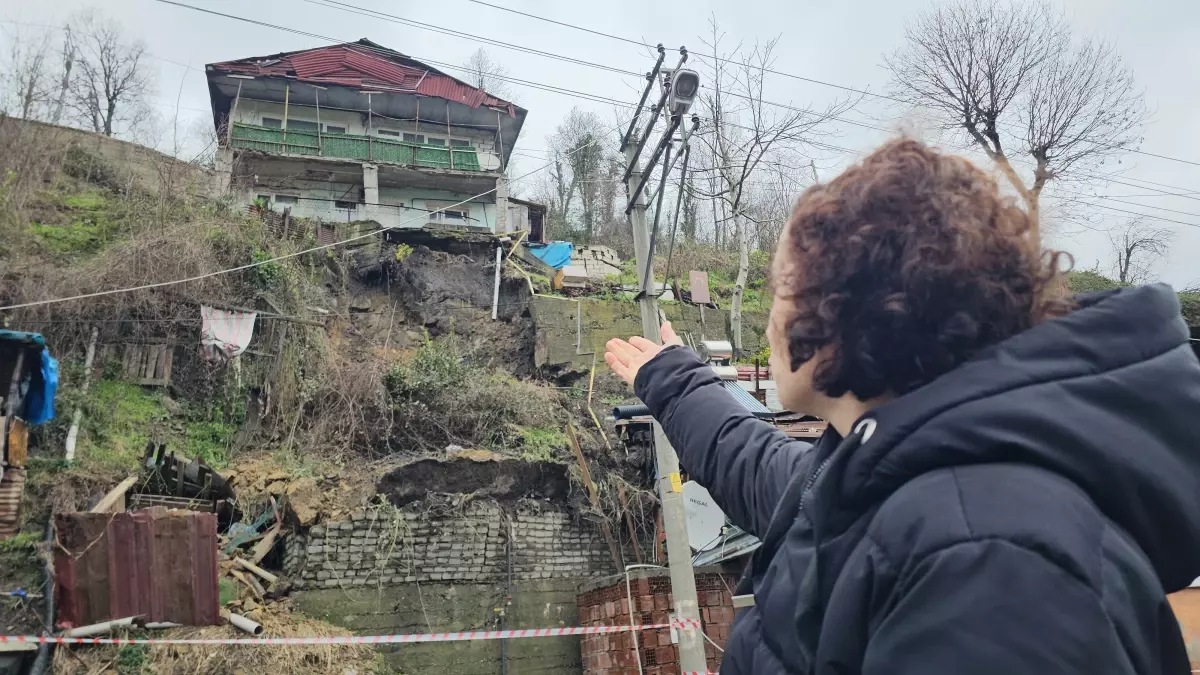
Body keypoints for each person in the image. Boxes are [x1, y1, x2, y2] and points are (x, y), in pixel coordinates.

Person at [605, 139, 1200, 674]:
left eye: (782, 287)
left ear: (842, 308)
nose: (768, 321)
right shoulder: (892, 480)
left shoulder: (984, 560)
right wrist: (675, 381)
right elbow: (757, 465)